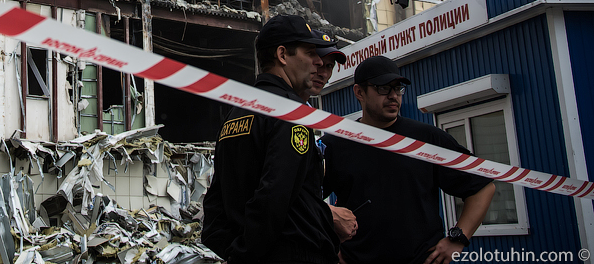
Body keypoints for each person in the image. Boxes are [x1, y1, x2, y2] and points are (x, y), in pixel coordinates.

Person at [323, 56, 496, 264]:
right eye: (383, 89)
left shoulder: (427, 140)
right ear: (359, 92)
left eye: (398, 89)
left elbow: (482, 187)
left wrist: (458, 238)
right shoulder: (335, 144)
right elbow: (304, 199)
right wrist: (328, 247)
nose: (393, 96)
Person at [202, 14, 339, 264]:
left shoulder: (236, 112)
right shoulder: (288, 111)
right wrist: (246, 252)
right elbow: (273, 196)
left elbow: (215, 201)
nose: (318, 61)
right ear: (283, 55)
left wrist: (233, 251)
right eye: (310, 53)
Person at [306, 35, 358, 245]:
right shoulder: (277, 112)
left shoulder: (307, 114)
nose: (323, 73)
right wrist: (328, 213)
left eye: (329, 66)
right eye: (317, 63)